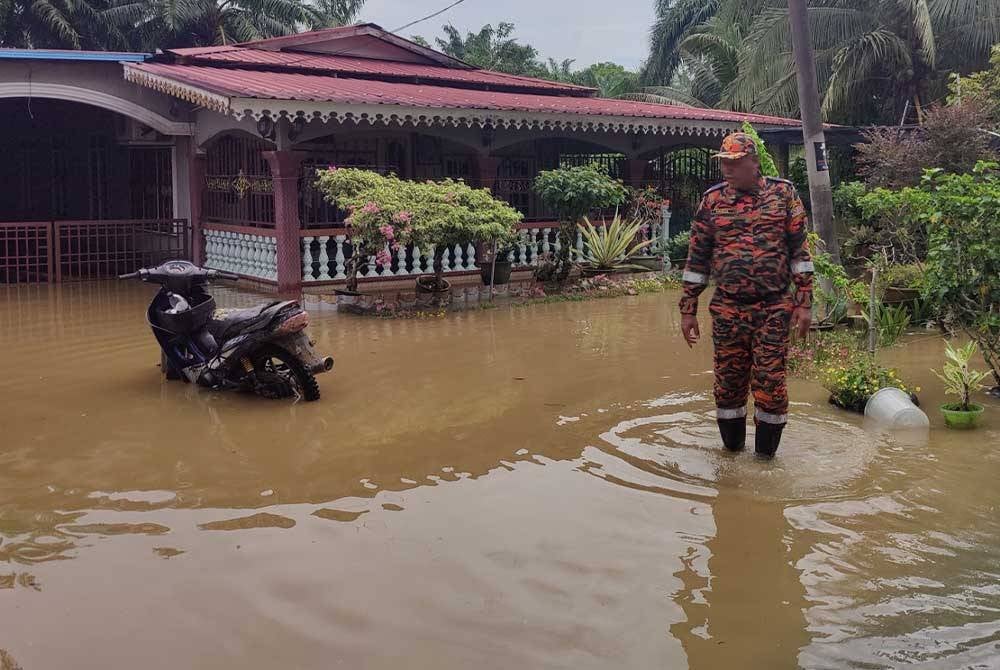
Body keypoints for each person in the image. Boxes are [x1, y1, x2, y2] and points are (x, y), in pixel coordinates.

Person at [679, 132, 814, 459]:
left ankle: (766, 463)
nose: (727, 168)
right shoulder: (712, 201)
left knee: (770, 384)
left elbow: (800, 251)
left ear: (754, 163)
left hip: (773, 307)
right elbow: (697, 259)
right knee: (728, 386)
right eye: (724, 162)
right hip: (727, 309)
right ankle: (732, 456)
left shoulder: (783, 195)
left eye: (735, 163)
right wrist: (687, 308)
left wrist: (804, 302)